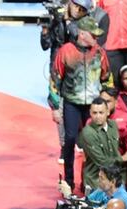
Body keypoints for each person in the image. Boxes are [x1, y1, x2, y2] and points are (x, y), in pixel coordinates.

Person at [52, 17, 110, 189]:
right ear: (82, 34)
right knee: (70, 139)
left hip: (94, 106)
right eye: (93, 34)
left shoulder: (99, 52)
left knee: (93, 142)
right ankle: (69, 180)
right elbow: (55, 79)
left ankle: (90, 181)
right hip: (71, 102)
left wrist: (107, 102)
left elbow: (107, 79)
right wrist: (55, 107)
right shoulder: (66, 51)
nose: (96, 37)